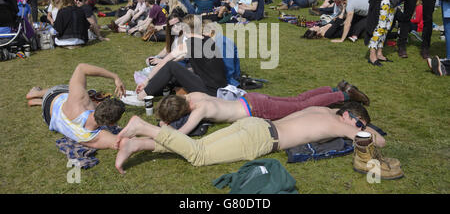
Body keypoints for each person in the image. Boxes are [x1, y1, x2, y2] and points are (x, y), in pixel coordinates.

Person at [114, 102, 402, 178]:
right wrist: (363, 127)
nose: (360, 129)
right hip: (262, 138)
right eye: (359, 123)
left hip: (255, 124)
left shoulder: (323, 111)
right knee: (199, 155)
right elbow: (380, 142)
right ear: (349, 117)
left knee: (197, 147)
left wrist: (354, 116)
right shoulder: (339, 125)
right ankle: (144, 127)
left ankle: (138, 143)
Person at [154, 80, 370, 134]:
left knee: (300, 106)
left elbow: (183, 131)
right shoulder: (194, 96)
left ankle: (342, 94)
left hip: (256, 110)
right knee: (297, 100)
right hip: (250, 99)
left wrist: (165, 127)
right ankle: (333, 89)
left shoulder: (198, 111)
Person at [26, 63, 126, 150]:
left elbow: (81, 68)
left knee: (70, 89)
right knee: (71, 96)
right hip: (49, 118)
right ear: (112, 124)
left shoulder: (81, 101)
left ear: (99, 104)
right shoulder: (98, 136)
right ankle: (38, 101)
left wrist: (115, 76)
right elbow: (120, 143)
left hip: (52, 99)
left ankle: (35, 93)